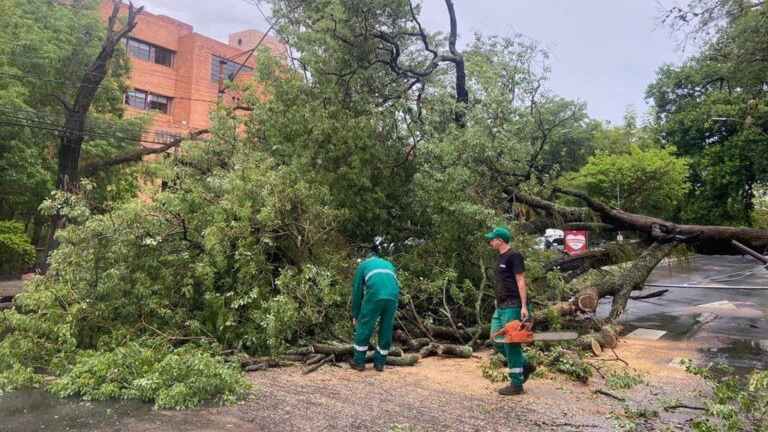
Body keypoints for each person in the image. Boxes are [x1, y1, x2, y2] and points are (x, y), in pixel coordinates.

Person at [485, 226, 536, 395]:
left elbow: (520, 281)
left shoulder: (514, 255)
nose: (491, 242)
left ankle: (516, 384)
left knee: (512, 344)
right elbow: (502, 281)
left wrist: (523, 306)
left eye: (492, 239)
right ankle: (525, 364)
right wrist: (497, 298)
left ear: (500, 240)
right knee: (497, 339)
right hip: (501, 305)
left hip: (514, 305)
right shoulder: (499, 257)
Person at [349, 237, 400, 372]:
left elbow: (357, 292)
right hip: (393, 297)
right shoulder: (389, 265)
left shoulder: (363, 265)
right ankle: (380, 363)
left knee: (365, 325)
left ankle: (359, 361)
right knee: (386, 328)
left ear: (367, 257)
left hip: (376, 295)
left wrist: (356, 315)